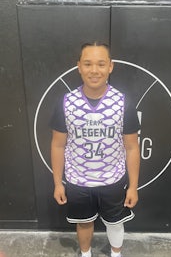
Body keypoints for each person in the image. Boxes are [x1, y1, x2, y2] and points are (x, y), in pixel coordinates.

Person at [50, 42, 140, 257]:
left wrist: (133, 186)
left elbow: (132, 147)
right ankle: (86, 254)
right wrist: (57, 183)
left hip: (113, 180)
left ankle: (116, 254)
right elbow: (57, 145)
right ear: (79, 66)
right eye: (88, 64)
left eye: (101, 64)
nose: (94, 70)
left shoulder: (123, 102)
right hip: (77, 181)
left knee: (115, 223)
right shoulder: (66, 102)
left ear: (110, 66)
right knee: (83, 223)